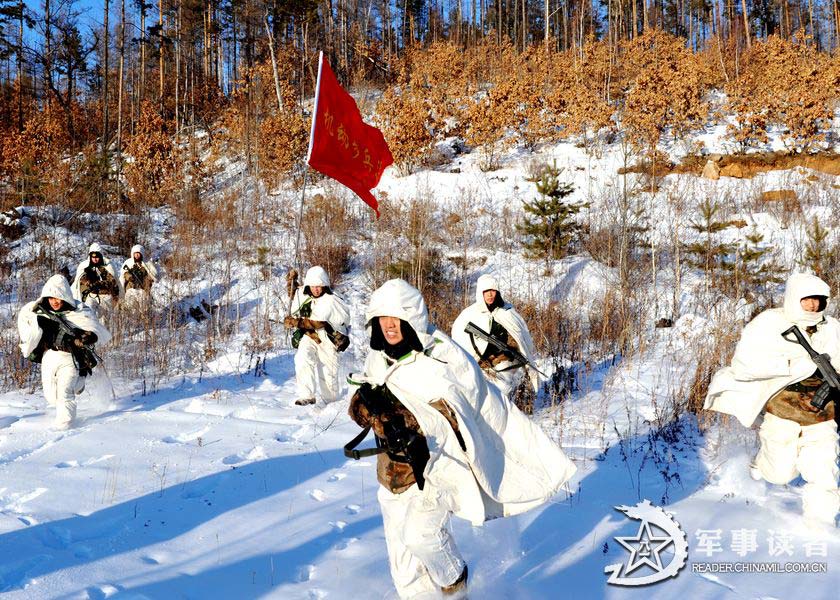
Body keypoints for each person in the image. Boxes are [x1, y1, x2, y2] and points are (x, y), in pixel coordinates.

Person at [347, 279, 576, 598]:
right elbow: (360, 407)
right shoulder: (378, 357)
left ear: (410, 319)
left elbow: (468, 409)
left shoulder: (443, 357)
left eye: (395, 319)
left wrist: (410, 422)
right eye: (382, 319)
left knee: (421, 537)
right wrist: (371, 409)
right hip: (394, 473)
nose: (389, 326)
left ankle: (455, 585)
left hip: (438, 467)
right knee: (403, 566)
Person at [705, 272, 840, 527]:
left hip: (822, 411)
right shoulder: (768, 323)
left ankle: (819, 525)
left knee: (824, 470)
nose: (813, 305)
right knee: (780, 473)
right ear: (794, 298)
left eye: (819, 300)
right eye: (808, 299)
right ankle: (760, 464)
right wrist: (794, 364)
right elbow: (744, 364)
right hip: (783, 407)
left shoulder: (832, 327)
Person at [18, 274, 111, 429]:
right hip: (49, 356)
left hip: (70, 357)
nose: (55, 302)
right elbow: (26, 326)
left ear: (65, 297)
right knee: (52, 397)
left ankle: (64, 426)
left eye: (59, 298)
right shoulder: (36, 312)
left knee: (64, 392)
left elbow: (92, 328)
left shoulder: (79, 311)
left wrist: (86, 337)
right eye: (51, 298)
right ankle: (79, 384)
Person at [451, 274, 541, 411]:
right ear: (480, 293)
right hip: (480, 360)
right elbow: (459, 337)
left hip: (504, 355)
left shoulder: (507, 310)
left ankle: (514, 409)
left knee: (510, 381)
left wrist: (514, 347)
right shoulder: (469, 314)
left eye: (493, 291)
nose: (490, 295)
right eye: (486, 292)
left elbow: (521, 335)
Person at [283, 266, 350, 406]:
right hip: (312, 336)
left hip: (329, 339)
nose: (316, 289)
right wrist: (291, 283)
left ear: (324, 285)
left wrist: (295, 322)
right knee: (302, 357)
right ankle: (306, 395)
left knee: (327, 374)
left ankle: (331, 404)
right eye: (313, 286)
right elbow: (297, 295)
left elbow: (317, 322)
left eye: (319, 286)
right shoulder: (307, 294)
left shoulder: (330, 300)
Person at [71, 242, 122, 312]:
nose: (95, 259)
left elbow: (112, 281)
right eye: (93, 257)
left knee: (105, 320)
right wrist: (88, 283)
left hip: (105, 297)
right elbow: (79, 280)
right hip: (91, 296)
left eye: (97, 257)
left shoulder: (107, 266)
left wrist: (99, 284)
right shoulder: (84, 266)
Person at [120, 244, 158, 308]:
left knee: (143, 309)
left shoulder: (147, 263)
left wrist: (146, 278)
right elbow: (123, 274)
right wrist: (129, 276)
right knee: (130, 308)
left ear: (141, 254)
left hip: (142, 290)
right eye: (135, 253)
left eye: (138, 253)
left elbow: (153, 275)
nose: (137, 255)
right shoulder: (128, 262)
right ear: (133, 254)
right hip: (130, 289)